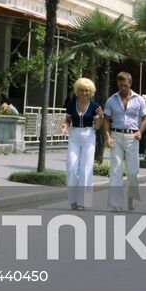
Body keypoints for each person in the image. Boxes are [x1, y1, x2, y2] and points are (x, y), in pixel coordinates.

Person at [102, 71, 146, 211]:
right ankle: (116, 203)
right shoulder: (111, 100)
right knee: (115, 170)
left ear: (130, 83)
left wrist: (140, 132)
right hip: (116, 135)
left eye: (125, 85)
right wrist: (107, 137)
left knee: (133, 171)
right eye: (120, 85)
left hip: (133, 137)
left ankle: (132, 195)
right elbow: (106, 120)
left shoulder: (139, 100)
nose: (122, 88)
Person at [60, 77, 103, 210]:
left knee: (85, 169)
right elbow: (68, 120)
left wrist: (101, 117)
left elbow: (97, 126)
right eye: (81, 90)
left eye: (86, 91)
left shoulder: (95, 106)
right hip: (74, 136)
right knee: (72, 167)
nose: (83, 93)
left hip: (89, 136)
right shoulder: (71, 104)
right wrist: (64, 126)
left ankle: (82, 202)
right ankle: (73, 200)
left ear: (90, 92)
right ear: (77, 91)